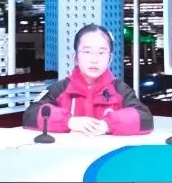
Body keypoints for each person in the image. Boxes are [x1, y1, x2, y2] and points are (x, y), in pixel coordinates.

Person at [23, 24, 154, 136]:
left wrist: (107, 124)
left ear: (110, 59)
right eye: (87, 52)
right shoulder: (59, 89)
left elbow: (145, 118)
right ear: (75, 58)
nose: (94, 59)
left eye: (101, 53)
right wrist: (69, 122)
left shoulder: (120, 89)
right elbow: (30, 115)